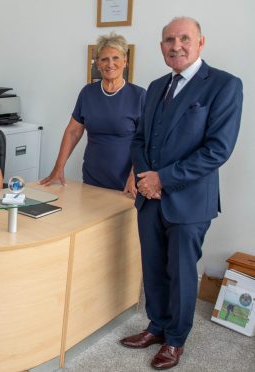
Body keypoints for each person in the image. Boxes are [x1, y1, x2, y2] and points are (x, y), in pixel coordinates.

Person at [121, 17, 242, 370]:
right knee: (154, 267)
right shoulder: (156, 86)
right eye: (169, 40)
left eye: (184, 38)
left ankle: (175, 340)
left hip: (189, 201)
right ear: (161, 47)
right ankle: (156, 326)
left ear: (200, 42)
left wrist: (163, 179)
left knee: (182, 272)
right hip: (149, 197)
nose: (177, 45)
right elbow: (139, 139)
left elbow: (217, 150)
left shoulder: (224, 85)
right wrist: (146, 179)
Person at [39, 32, 145, 197]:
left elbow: (146, 141)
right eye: (104, 59)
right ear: (97, 64)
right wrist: (58, 167)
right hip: (92, 179)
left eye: (116, 58)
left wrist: (135, 175)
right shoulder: (88, 93)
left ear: (125, 61)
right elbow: (73, 132)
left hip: (126, 184)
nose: (110, 64)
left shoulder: (139, 95)